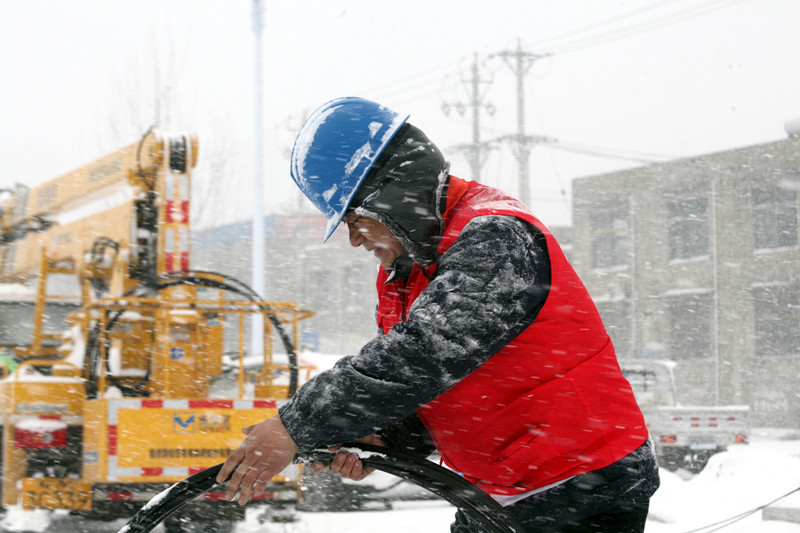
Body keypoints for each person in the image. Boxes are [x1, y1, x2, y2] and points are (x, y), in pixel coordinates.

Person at [218, 97, 660, 532]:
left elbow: (424, 355)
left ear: (391, 193)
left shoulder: (496, 238)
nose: (354, 239)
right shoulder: (405, 274)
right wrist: (389, 436)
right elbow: (444, 385)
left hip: (581, 486)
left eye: (354, 218)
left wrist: (295, 423)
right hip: (498, 493)